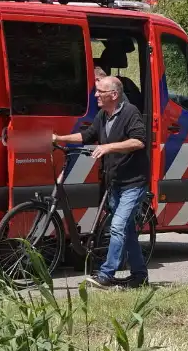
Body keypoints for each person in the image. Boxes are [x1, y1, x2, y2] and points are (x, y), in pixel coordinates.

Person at [52, 76, 149, 289]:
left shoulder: (130, 112)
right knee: (127, 230)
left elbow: (139, 141)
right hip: (115, 182)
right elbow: (87, 135)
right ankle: (140, 276)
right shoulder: (104, 116)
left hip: (134, 183)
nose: (96, 95)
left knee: (117, 227)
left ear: (114, 95)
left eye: (100, 91)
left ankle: (106, 274)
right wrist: (60, 138)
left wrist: (108, 147)